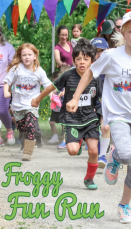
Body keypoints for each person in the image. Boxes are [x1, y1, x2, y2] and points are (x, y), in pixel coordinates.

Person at [66, 10, 131, 223]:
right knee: (126, 154)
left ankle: (124, 206)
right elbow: (89, 73)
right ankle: (114, 156)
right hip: (118, 115)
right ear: (123, 32)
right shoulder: (112, 56)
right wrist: (76, 97)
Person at [32, 38, 102, 190]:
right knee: (72, 151)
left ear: (92, 60)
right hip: (72, 119)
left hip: (90, 118)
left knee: (94, 150)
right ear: (74, 60)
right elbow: (51, 87)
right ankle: (77, 141)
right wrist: (38, 99)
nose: (82, 62)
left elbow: (103, 97)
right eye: (78, 59)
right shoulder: (68, 75)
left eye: (86, 59)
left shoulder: (96, 77)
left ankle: (89, 179)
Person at [3, 43, 51, 161]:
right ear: (20, 56)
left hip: (32, 104)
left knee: (30, 125)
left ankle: (27, 153)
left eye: (30, 54)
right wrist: (6, 92)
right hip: (17, 105)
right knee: (22, 128)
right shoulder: (16, 69)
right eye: (24, 55)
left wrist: (52, 95)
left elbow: (47, 85)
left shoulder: (39, 71)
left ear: (35, 56)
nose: (27, 57)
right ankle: (30, 140)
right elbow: (7, 82)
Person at [91, 38, 110, 168]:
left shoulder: (111, 65)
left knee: (105, 127)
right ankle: (98, 151)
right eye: (96, 51)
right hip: (91, 103)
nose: (99, 54)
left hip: (107, 102)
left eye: (102, 50)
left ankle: (102, 155)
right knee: (92, 131)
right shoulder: (88, 67)